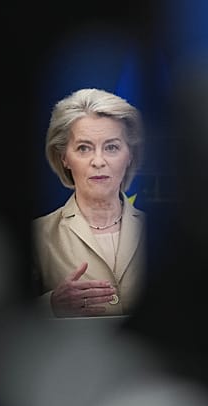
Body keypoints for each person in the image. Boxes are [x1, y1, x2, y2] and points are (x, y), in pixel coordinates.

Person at [32, 88, 146, 318]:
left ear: (130, 154)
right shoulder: (38, 234)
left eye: (111, 147)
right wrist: (51, 305)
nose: (98, 161)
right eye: (84, 148)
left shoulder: (159, 230)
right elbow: (8, 317)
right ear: (64, 157)